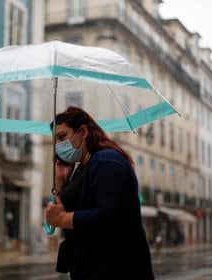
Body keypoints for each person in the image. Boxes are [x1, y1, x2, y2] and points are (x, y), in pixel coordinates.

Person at [45, 106, 155, 280]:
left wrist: (63, 219)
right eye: (55, 141)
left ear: (83, 132)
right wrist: (60, 183)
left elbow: (112, 215)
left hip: (117, 270)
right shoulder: (82, 169)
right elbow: (73, 219)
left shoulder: (107, 162)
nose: (58, 146)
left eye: (62, 137)